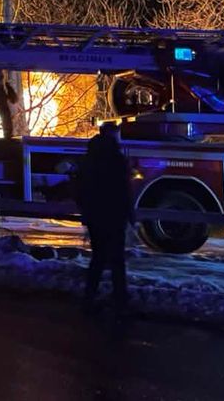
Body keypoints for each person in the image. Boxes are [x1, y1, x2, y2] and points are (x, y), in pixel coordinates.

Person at [78, 121, 133, 313]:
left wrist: (87, 213)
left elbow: (82, 189)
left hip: (95, 216)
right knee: (117, 259)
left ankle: (90, 295)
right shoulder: (117, 159)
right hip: (115, 216)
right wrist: (130, 215)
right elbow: (124, 190)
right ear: (113, 135)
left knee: (98, 257)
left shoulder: (90, 158)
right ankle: (120, 298)